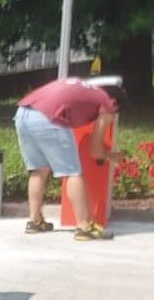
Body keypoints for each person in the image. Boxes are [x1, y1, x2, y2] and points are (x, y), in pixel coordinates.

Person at [13, 77, 123, 241]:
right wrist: (109, 155)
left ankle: (35, 222)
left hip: (22, 114)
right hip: (48, 118)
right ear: (114, 102)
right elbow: (95, 149)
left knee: (39, 170)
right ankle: (84, 227)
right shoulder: (107, 103)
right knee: (72, 172)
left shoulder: (85, 87)